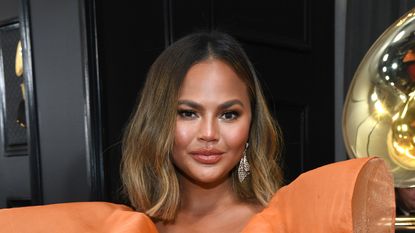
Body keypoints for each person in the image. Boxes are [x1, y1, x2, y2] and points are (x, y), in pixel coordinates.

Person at [0, 31, 396, 233]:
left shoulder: (287, 224)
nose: (209, 133)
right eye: (188, 113)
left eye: (228, 114)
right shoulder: (126, 227)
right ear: (158, 121)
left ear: (251, 126)